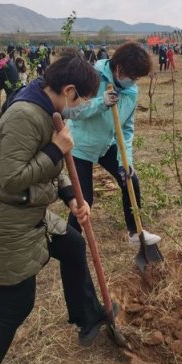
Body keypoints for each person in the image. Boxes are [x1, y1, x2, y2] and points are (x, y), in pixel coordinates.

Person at [0, 50, 114, 364]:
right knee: (16, 304)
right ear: (69, 91)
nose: (84, 105)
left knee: (72, 244)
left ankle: (88, 317)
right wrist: (56, 149)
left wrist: (71, 196)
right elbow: (12, 179)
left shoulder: (47, 107)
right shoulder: (25, 116)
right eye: (84, 99)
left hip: (27, 212)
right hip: (2, 221)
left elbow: (55, 167)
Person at [66, 42, 162, 246]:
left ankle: (135, 232)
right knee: (84, 201)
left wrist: (125, 161)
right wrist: (100, 103)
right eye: (132, 76)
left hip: (106, 145)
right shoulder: (91, 76)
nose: (133, 82)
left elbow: (126, 129)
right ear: (119, 69)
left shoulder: (130, 91)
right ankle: (70, 243)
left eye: (136, 78)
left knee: (130, 180)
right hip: (80, 146)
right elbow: (72, 111)